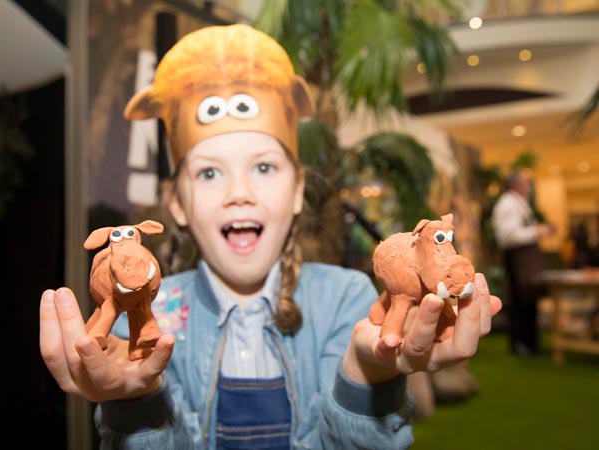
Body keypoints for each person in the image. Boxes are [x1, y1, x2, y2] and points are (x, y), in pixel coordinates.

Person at [39, 25, 501, 449]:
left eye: (263, 167)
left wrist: (368, 371)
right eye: (209, 173)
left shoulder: (347, 300)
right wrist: (136, 403)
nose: (239, 193)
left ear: (297, 189)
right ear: (177, 203)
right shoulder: (142, 314)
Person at [492, 171, 553, 356]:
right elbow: (509, 236)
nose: (529, 187)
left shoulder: (520, 203)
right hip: (517, 260)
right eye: (526, 183)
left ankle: (530, 342)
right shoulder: (507, 204)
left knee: (529, 300)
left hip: (526, 259)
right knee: (519, 300)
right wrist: (537, 231)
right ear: (516, 185)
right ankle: (520, 343)